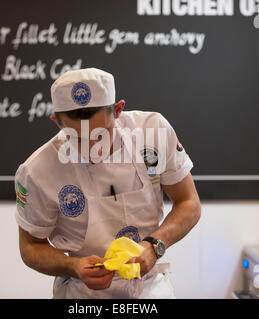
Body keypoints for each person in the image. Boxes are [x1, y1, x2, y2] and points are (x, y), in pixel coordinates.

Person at [14, 68, 201, 298]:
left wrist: (154, 246)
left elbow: (189, 203)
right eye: (78, 139)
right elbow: (30, 247)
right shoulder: (38, 171)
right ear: (57, 122)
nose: (93, 147)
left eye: (102, 134)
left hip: (149, 287)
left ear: (118, 109)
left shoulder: (153, 132)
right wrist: (74, 266)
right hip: (81, 292)